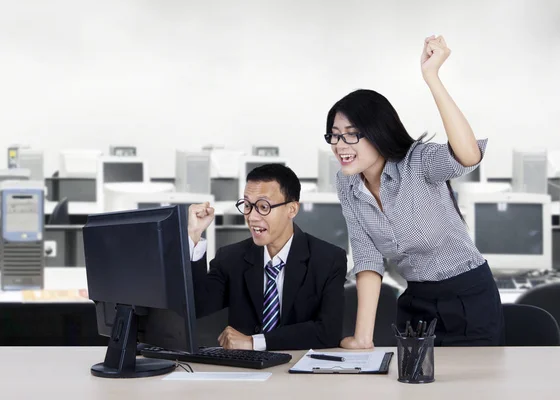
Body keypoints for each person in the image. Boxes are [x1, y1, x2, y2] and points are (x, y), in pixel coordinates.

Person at [328, 35, 504, 348]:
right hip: (417, 301)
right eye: (335, 136)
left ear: (378, 133)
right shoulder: (348, 183)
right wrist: (362, 339)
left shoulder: (418, 162)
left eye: (352, 136)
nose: (340, 145)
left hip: (468, 297)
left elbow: (468, 156)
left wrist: (431, 77)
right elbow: (367, 257)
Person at [187, 163, 347, 351]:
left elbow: (327, 332)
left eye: (263, 206)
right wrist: (194, 235)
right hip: (247, 373)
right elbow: (196, 306)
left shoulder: (328, 259)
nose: (252, 217)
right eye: (247, 205)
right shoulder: (230, 258)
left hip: (300, 370)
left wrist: (254, 342)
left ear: (292, 209)